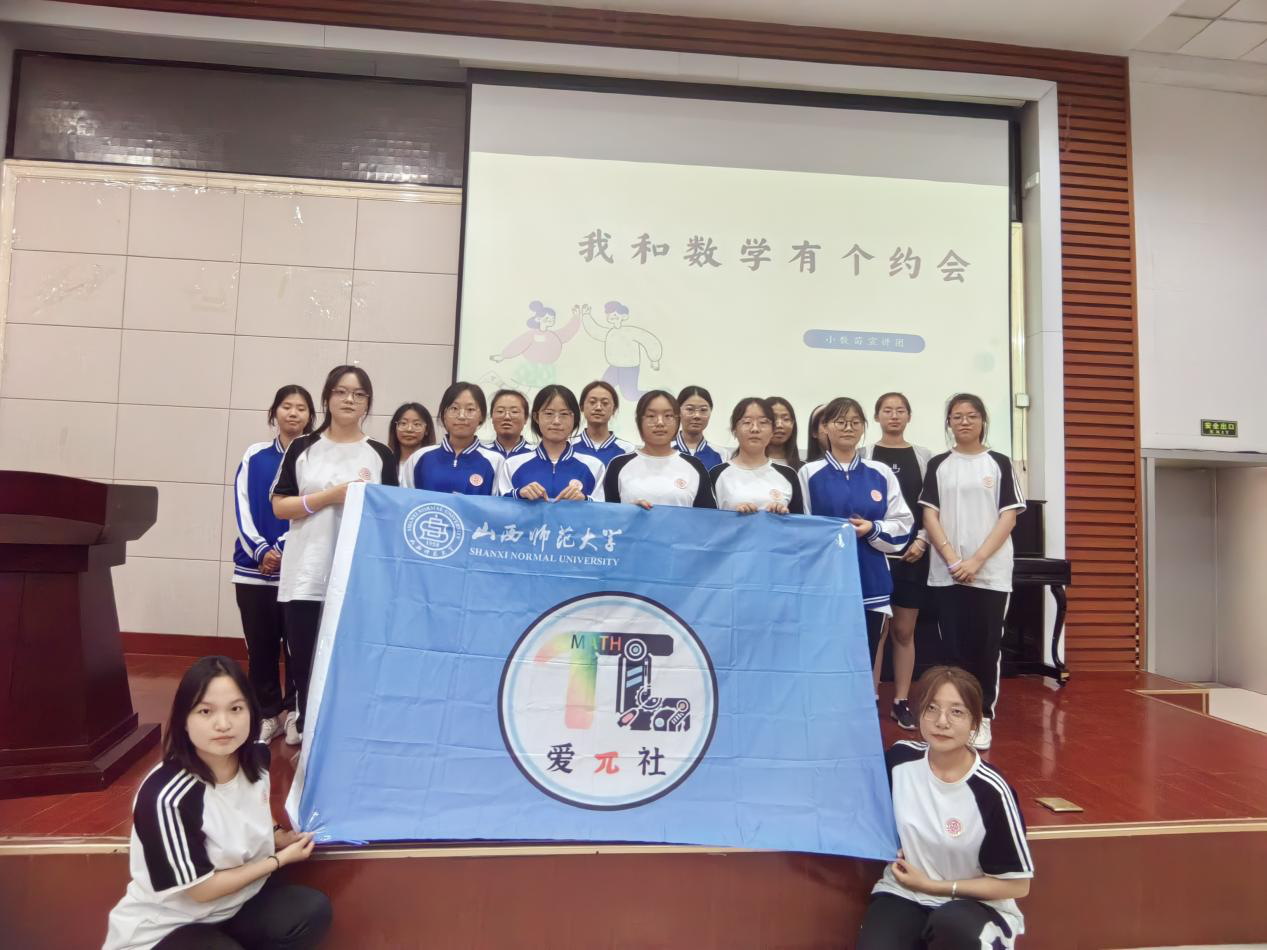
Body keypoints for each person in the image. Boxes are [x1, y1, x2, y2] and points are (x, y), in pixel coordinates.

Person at [104, 656, 331, 950]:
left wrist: (278, 835)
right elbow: (201, 890)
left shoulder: (256, 758)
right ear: (184, 721)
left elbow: (253, 806)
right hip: (172, 924)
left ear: (252, 712)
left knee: (310, 911)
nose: (223, 724)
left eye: (236, 709)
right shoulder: (166, 796)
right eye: (205, 711)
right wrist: (279, 860)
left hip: (235, 905)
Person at [857, 666, 1032, 950]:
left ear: (975, 722)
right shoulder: (899, 761)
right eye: (931, 708)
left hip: (974, 904)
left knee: (952, 925)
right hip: (905, 893)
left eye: (956, 712)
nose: (941, 721)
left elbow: (1018, 885)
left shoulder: (992, 791)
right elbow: (861, 803)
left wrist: (933, 886)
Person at [270, 366, 396, 743]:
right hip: (307, 574)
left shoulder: (381, 454)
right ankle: (307, 728)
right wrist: (329, 497)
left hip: (358, 578)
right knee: (305, 660)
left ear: (368, 403)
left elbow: (390, 516)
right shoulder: (302, 447)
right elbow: (280, 506)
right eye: (341, 392)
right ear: (327, 397)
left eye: (359, 394)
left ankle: (346, 735)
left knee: (353, 659)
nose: (349, 400)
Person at [919, 394, 1025, 751]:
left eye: (971, 416)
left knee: (985, 647)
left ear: (982, 421)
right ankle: (952, 717)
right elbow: (930, 515)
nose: (964, 422)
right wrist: (952, 559)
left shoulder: (999, 462)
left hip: (990, 573)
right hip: (947, 572)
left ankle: (982, 717)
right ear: (948, 423)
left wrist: (976, 561)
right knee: (952, 649)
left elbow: (1008, 517)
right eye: (957, 416)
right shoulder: (939, 464)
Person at [798, 397, 912, 686]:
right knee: (825, 659)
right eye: (840, 422)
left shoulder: (880, 472)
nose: (848, 428)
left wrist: (872, 529)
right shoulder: (809, 473)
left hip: (871, 581)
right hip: (825, 583)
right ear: (825, 428)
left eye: (855, 422)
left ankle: (860, 712)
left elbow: (903, 525)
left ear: (863, 427)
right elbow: (802, 528)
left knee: (865, 659)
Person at [231, 385, 312, 747]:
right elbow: (242, 504)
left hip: (298, 570)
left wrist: (282, 548)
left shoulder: (315, 457)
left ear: (311, 416)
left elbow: (312, 509)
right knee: (261, 649)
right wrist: (261, 549)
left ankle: (294, 713)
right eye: (286, 406)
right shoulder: (255, 454)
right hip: (253, 570)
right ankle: (267, 714)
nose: (293, 413)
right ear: (274, 412)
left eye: (301, 408)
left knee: (298, 647)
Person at [863, 392, 933, 731]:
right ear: (876, 416)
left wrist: (922, 540)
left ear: (909, 416)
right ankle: (870, 696)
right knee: (876, 630)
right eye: (887, 410)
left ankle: (901, 701)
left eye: (900, 410)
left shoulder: (923, 457)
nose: (894, 416)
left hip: (912, 555)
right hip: (874, 555)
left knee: (904, 630)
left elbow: (931, 506)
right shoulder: (865, 454)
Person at [603, 390, 716, 509]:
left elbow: (707, 516)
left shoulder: (695, 466)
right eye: (651, 416)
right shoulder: (618, 465)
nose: (660, 423)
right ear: (639, 421)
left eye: (668, 416)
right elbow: (608, 514)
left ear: (677, 421)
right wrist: (627, 511)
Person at [496, 385, 604, 501]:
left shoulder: (594, 466)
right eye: (549, 413)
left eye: (564, 414)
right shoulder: (512, 465)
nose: (556, 421)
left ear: (574, 418)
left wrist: (584, 500)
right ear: (536, 417)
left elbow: (602, 509)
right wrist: (519, 494)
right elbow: (499, 506)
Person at [405, 382, 503, 495]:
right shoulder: (419, 458)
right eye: (454, 408)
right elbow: (405, 500)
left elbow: (499, 504)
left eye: (470, 409)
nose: (461, 416)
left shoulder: (495, 461)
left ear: (482, 416)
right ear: (444, 414)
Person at [710, 397, 803, 515]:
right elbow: (707, 521)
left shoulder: (788, 475)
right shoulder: (716, 474)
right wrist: (734, 515)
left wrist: (782, 515)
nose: (755, 429)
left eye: (763, 422)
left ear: (772, 431)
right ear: (734, 430)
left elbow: (799, 523)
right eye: (747, 422)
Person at [572, 379, 634, 467]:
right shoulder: (568, 445)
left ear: (614, 409)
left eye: (605, 403)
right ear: (582, 407)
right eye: (592, 402)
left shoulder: (628, 450)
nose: (598, 407)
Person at [672, 385, 725, 471]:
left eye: (703, 410)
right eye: (690, 409)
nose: (697, 416)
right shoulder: (664, 449)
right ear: (678, 411)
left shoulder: (721, 454)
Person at [387, 402, 435, 485]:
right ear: (395, 428)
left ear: (427, 430)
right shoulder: (386, 462)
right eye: (403, 423)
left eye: (416, 424)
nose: (409, 429)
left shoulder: (434, 464)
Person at [485, 389, 533, 460]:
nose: (507, 417)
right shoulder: (480, 454)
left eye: (514, 411)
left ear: (525, 418)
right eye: (500, 411)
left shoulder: (535, 454)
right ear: (492, 416)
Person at [764, 396, 803, 470]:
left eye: (786, 419)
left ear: (793, 424)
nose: (779, 425)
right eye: (773, 418)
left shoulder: (804, 469)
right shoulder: (748, 465)